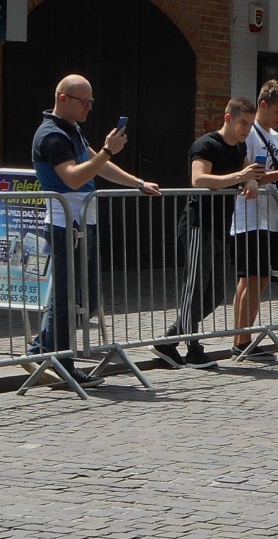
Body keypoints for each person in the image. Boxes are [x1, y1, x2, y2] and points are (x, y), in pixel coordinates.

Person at [28, 74, 160, 389]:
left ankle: (42, 349)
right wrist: (108, 150)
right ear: (63, 99)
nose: (89, 107)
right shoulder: (51, 135)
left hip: (80, 222)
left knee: (82, 291)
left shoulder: (70, 129)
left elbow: (96, 165)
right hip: (64, 224)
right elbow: (73, 177)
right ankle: (61, 360)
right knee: (66, 296)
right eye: (84, 101)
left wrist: (138, 183)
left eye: (91, 101)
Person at [153, 98, 264, 370]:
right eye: (243, 123)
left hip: (219, 226)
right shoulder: (206, 145)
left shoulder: (239, 147)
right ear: (228, 118)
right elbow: (198, 179)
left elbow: (249, 172)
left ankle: (171, 339)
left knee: (217, 289)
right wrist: (240, 177)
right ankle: (193, 347)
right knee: (195, 286)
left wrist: (250, 180)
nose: (246, 130)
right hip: (197, 224)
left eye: (250, 125)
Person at [230, 80, 278, 359]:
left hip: (271, 215)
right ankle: (241, 340)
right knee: (249, 277)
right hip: (250, 215)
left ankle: (244, 338)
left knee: (260, 278)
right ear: (263, 104)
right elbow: (248, 174)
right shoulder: (248, 134)